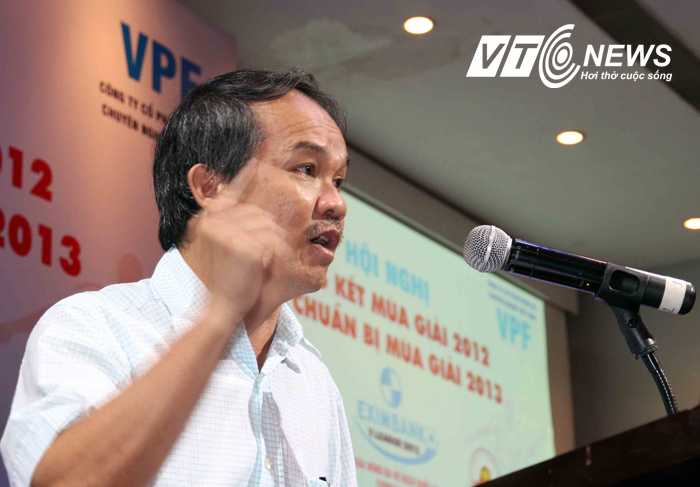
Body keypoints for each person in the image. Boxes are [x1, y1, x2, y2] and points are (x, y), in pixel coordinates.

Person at [1, 69, 357, 487]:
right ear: (210, 187)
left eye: (338, 180)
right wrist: (218, 318)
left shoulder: (313, 381)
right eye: (306, 169)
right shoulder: (93, 326)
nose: (336, 204)